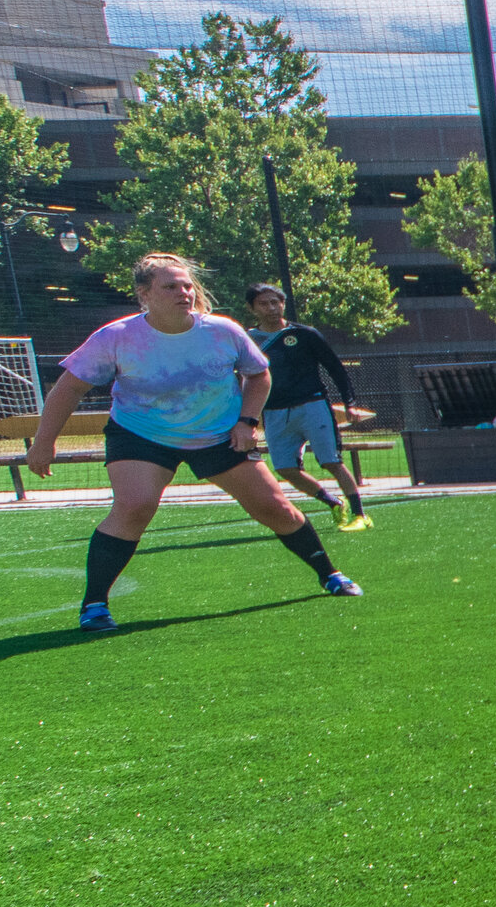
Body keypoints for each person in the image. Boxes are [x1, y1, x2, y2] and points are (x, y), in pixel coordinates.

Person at [26, 253, 362, 631]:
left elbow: (259, 375)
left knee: (275, 508)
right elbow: (69, 388)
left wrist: (247, 422)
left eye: (187, 285)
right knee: (135, 507)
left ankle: (330, 574)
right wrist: (43, 442)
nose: (183, 293)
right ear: (144, 294)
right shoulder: (115, 337)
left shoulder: (222, 330)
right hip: (141, 436)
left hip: (219, 436)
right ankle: (94, 605)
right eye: (170, 286)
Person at [245, 282, 370, 531]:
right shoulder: (248, 340)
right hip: (274, 412)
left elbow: (335, 368)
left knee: (331, 461)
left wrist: (350, 403)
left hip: (313, 405)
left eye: (275, 302)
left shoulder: (305, 334)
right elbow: (243, 378)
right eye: (264, 304)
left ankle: (360, 515)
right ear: (252, 308)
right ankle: (333, 503)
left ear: (283, 304)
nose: (271, 308)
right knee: (286, 468)